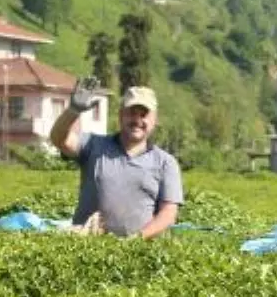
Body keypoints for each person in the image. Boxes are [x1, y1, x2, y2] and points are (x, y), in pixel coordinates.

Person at [49, 78, 184, 240]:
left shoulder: (165, 162)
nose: (137, 121)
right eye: (131, 113)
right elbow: (59, 140)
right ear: (120, 115)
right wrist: (73, 110)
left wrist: (138, 238)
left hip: (140, 249)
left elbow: (168, 213)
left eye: (144, 115)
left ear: (155, 120)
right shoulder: (94, 145)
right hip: (87, 245)